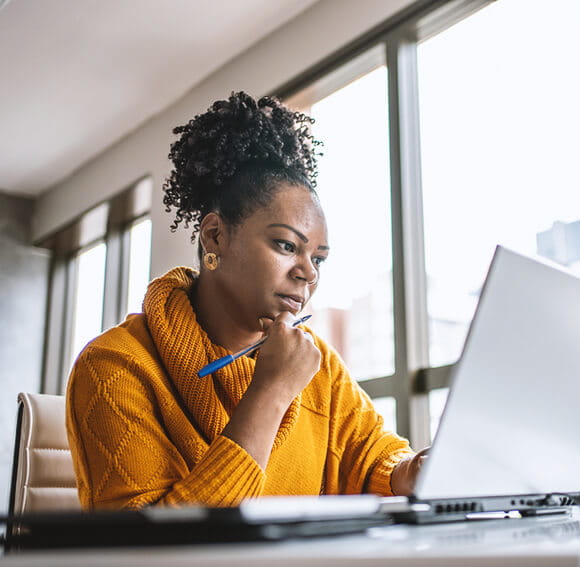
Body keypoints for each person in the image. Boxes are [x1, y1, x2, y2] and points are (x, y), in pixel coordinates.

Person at [66, 91, 427, 510]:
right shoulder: (115, 366)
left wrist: (410, 471)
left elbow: (373, 459)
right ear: (215, 236)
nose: (308, 272)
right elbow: (150, 553)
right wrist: (271, 391)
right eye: (286, 245)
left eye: (319, 259)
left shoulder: (318, 364)